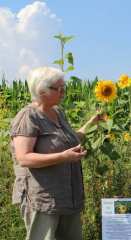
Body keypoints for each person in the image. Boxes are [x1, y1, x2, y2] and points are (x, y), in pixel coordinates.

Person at [10, 66, 104, 240]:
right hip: (42, 198)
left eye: (63, 86)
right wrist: (63, 157)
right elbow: (24, 158)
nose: (63, 91)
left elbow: (70, 140)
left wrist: (91, 124)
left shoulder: (58, 113)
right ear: (42, 90)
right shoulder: (28, 117)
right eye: (58, 88)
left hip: (67, 196)